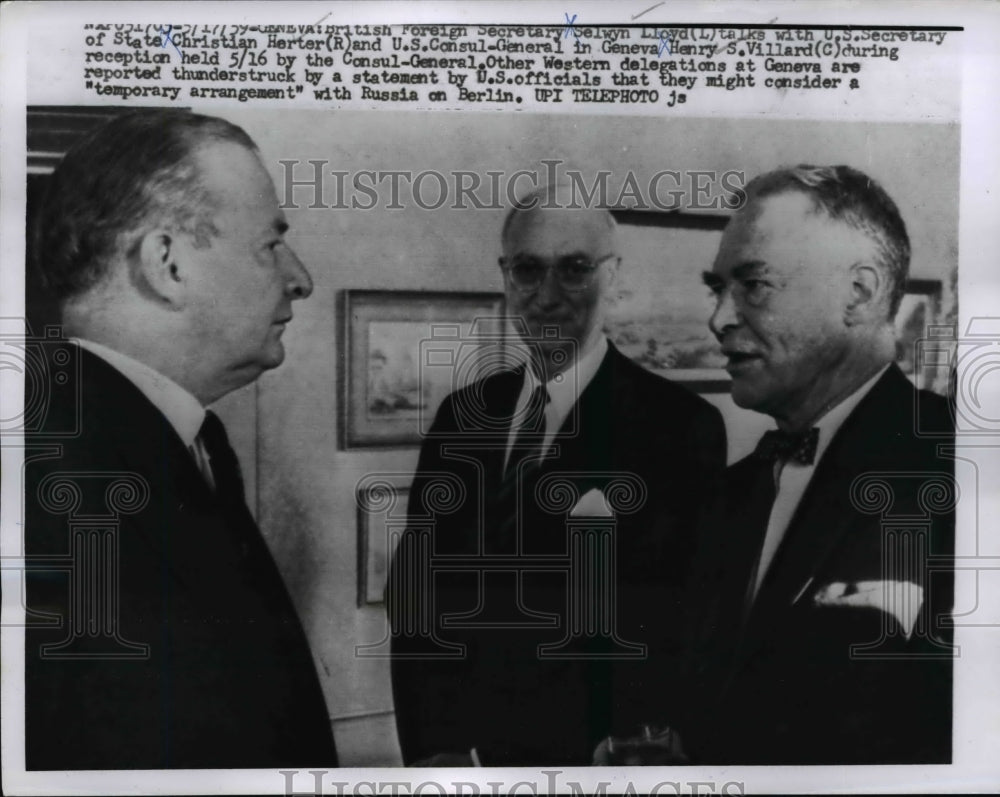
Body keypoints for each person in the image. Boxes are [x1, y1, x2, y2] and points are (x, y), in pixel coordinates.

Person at [607, 165, 954, 765]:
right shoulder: (730, 491)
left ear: (859, 293)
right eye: (718, 289)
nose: (719, 318)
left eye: (755, 285)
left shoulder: (964, 468)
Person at [24, 110, 338, 769]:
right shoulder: (40, 478)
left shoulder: (187, 440)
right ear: (166, 264)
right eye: (269, 245)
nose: (300, 278)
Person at [388, 184, 726, 766]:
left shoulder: (679, 426)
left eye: (574, 269)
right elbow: (414, 598)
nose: (547, 296)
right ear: (505, 276)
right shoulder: (461, 417)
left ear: (612, 277)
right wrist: (431, 751)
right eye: (527, 270)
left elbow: (674, 627)